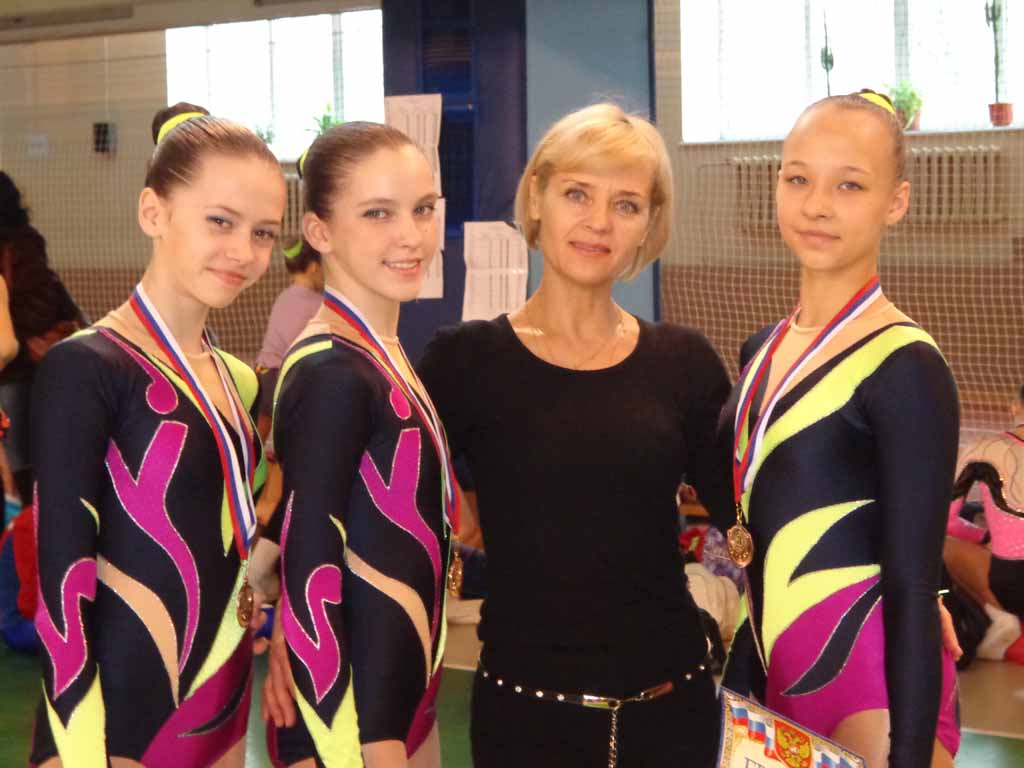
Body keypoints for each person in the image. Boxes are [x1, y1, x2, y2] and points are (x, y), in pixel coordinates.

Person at [419, 103, 730, 766]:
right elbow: (389, 515)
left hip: (672, 711)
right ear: (537, 197)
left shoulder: (684, 363)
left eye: (626, 204)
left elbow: (752, 514)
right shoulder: (465, 361)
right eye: (577, 194)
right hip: (525, 719)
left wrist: (904, 589)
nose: (598, 222)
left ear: (648, 223)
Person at [29, 103, 285, 766]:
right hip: (115, 719)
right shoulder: (87, 367)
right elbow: (61, 582)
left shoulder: (237, 379)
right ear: (154, 212)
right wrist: (76, 742)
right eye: (220, 221)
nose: (243, 252)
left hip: (222, 695)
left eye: (263, 232)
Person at [712, 90, 960, 768]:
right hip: (768, 670)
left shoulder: (906, 365)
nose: (817, 205)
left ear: (896, 202)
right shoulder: (759, 350)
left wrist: (910, 755)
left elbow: (913, 583)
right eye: (798, 178)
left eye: (849, 185)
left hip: (873, 690)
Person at [254, 121, 452, 768]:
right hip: (351, 722)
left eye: (423, 209)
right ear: (319, 231)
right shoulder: (332, 370)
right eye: (378, 213)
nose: (411, 235)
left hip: (399, 701)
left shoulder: (378, 353)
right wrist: (343, 738)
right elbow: (311, 556)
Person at [0, 171, 82, 507]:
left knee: (17, 467)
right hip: (22, 370)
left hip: (16, 372)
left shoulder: (19, 248)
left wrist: (22, 336)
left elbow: (36, 306)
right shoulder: (25, 243)